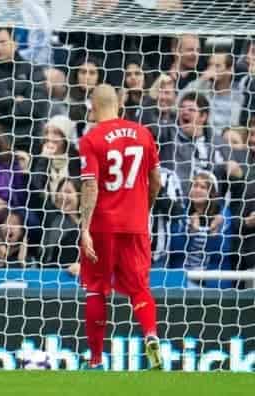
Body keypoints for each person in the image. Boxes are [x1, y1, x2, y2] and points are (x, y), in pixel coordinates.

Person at [78, 84, 163, 370]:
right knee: (140, 288)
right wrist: (144, 209)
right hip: (136, 224)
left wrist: (85, 227)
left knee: (96, 289)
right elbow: (157, 182)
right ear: (118, 104)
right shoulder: (143, 134)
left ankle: (96, 359)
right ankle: (150, 335)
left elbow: (90, 184)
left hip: (103, 225)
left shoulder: (91, 139)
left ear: (93, 105)